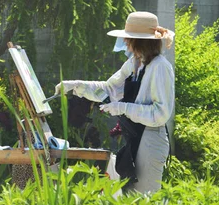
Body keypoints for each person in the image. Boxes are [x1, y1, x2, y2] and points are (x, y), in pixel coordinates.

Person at [55, 11, 175, 194]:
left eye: (129, 38)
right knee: (128, 198)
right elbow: (108, 89)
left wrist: (122, 108)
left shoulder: (160, 67)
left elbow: (160, 114)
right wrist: (75, 86)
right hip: (134, 136)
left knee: (144, 202)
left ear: (141, 41)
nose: (126, 43)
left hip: (151, 138)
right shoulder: (136, 62)